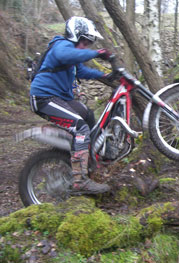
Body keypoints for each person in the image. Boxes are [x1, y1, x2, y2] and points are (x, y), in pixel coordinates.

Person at [30, 16, 113, 195]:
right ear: (75, 36)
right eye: (85, 42)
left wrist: (106, 76)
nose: (86, 46)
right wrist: (97, 53)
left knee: (88, 115)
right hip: (44, 97)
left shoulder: (72, 54)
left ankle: (89, 160)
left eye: (89, 44)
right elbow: (65, 55)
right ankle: (80, 181)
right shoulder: (61, 45)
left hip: (60, 98)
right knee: (81, 128)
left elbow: (82, 71)